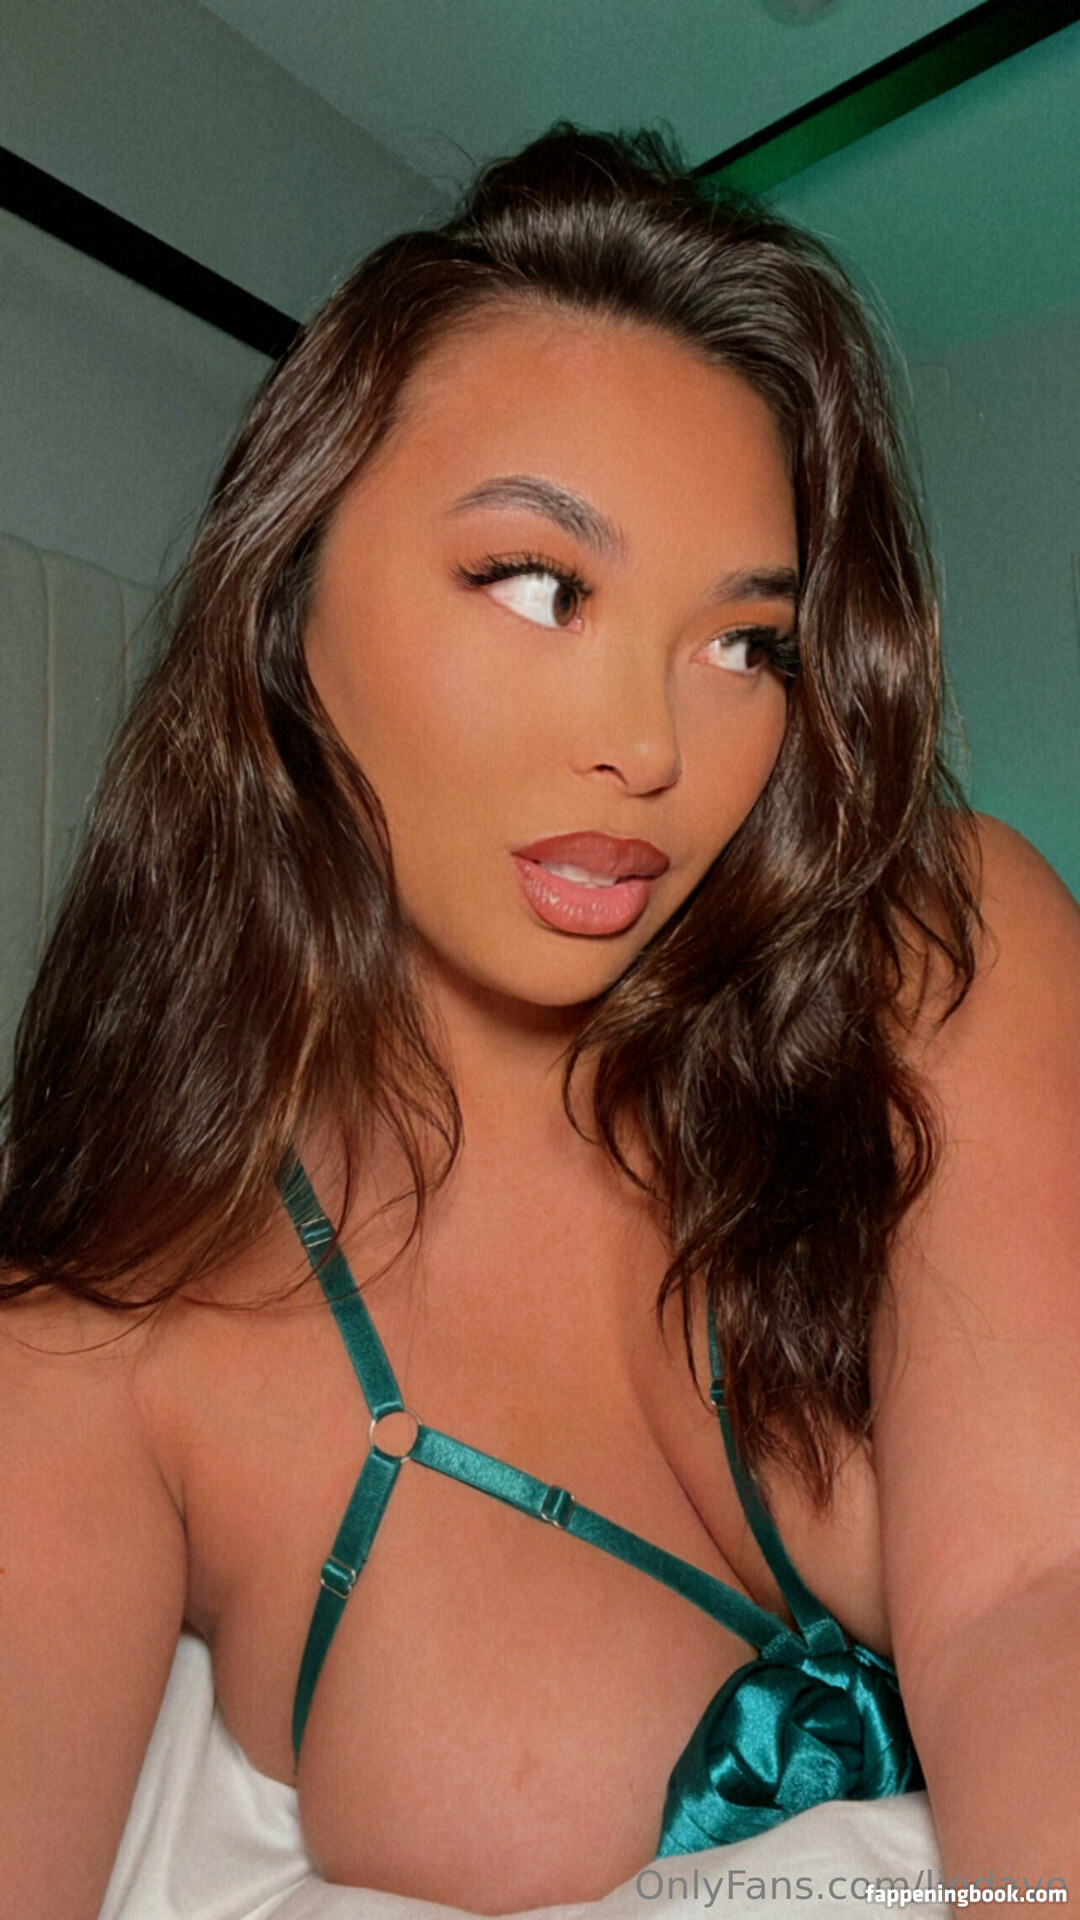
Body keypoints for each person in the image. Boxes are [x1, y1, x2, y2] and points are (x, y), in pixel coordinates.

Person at [1, 127, 1077, 1920]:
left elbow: (1041, 1596)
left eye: (745, 644)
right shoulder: (100, 1352)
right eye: (536, 583)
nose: (650, 746)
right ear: (286, 606)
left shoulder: (921, 948)